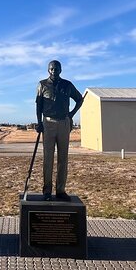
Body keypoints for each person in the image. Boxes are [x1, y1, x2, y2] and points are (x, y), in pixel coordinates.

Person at [35, 60, 83, 201]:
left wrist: (71, 114)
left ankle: (61, 190)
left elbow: (79, 99)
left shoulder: (67, 85)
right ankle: (47, 191)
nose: (54, 71)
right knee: (48, 158)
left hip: (64, 123)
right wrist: (39, 122)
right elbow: (39, 105)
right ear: (48, 70)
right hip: (48, 123)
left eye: (57, 69)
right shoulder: (42, 84)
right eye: (52, 69)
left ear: (61, 70)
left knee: (63, 158)